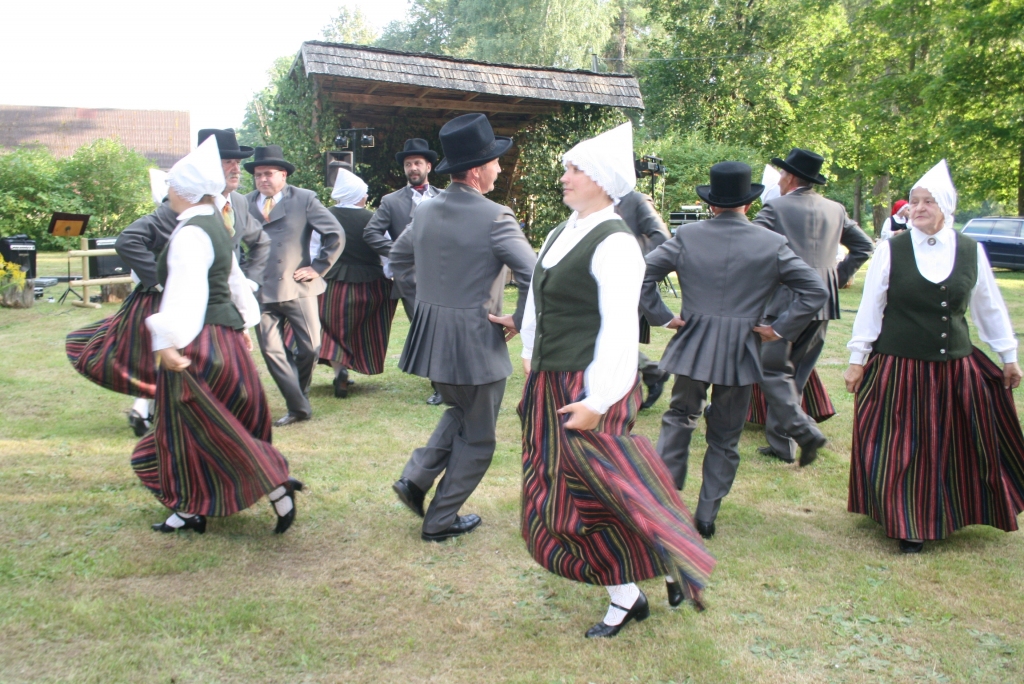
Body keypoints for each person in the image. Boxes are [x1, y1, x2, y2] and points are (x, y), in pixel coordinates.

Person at [517, 122, 715, 639]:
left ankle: (644, 577)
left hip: (586, 384)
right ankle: (639, 582)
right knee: (565, 489)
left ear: (602, 180)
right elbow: (537, 299)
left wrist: (599, 398)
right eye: (567, 167)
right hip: (550, 379)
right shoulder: (562, 232)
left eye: (574, 168)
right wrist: (529, 352)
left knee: (588, 494)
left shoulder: (616, 242)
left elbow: (620, 328)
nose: (564, 177)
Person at [844, 160, 1024, 553]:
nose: (919, 208)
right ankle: (908, 522)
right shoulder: (892, 249)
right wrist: (858, 359)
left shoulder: (970, 250)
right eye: (915, 201)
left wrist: (1008, 355)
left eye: (928, 202)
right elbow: (871, 307)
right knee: (902, 445)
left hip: (954, 368)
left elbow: (988, 307)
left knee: (949, 444)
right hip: (899, 366)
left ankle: (949, 511)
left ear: (946, 207)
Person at [641, 162, 828, 539]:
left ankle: (665, 499)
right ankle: (706, 515)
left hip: (694, 343)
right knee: (725, 436)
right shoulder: (771, 243)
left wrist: (662, 316)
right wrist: (778, 329)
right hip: (742, 349)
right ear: (748, 203)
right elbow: (815, 291)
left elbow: (642, 273)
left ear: (711, 202)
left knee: (679, 418)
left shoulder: (688, 235)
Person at [131, 136, 300, 535]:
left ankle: (274, 484)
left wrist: (166, 341)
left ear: (186, 191)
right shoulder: (213, 226)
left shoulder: (191, 232)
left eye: (173, 186)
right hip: (223, 337)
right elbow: (235, 282)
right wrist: (242, 326)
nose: (168, 192)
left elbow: (184, 293)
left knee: (194, 426)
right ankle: (191, 508)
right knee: (218, 420)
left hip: (198, 340)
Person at [389, 113, 536, 542]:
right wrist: (519, 320)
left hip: (434, 338)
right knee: (479, 437)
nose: (499, 168)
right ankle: (439, 520)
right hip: (475, 341)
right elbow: (533, 275)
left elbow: (398, 261)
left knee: (460, 411)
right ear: (475, 171)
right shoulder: (496, 216)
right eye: (494, 161)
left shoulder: (427, 210)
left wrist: (433, 302)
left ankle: (416, 479)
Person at [66, 128, 270, 436]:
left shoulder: (224, 211)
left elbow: (234, 269)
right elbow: (133, 242)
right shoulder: (177, 214)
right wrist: (160, 280)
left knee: (194, 378)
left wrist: (245, 307)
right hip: (183, 307)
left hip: (208, 315)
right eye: (227, 161)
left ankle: (209, 439)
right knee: (162, 364)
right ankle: (158, 417)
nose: (235, 168)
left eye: (236, 163)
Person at [752, 148, 874, 465]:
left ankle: (799, 434)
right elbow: (864, 246)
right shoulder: (836, 209)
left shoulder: (775, 208)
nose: (778, 180)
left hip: (783, 303)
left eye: (781, 174)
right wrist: (837, 277)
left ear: (791, 177)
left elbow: (749, 246)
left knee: (773, 372)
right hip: (822, 304)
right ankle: (783, 443)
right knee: (799, 374)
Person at [245, 145, 344, 427]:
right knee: (272, 351)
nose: (262, 179)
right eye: (258, 175)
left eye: (269, 174)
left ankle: (299, 392)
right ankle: (298, 407)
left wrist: (318, 267)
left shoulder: (304, 199)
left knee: (311, 348)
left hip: (297, 287)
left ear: (284, 175)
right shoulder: (243, 202)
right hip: (260, 290)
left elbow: (334, 233)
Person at [364, 138, 445, 405]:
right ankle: (441, 386)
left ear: (428, 166)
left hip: (446, 276)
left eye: (417, 163)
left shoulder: (445, 197)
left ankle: (454, 378)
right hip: (411, 279)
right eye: (408, 164)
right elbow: (371, 233)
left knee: (446, 328)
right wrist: (399, 250)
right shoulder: (390, 201)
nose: (412, 168)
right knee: (426, 330)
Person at [313, 168, 398, 397]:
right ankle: (345, 370)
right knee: (359, 330)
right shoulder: (372, 218)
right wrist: (391, 276)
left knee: (329, 328)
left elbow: (314, 251)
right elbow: (386, 252)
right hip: (369, 286)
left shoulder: (323, 215)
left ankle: (340, 370)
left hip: (331, 284)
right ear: (359, 195)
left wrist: (313, 273)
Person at [614, 189, 672, 409]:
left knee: (614, 338)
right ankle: (653, 371)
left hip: (628, 280)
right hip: (600, 280)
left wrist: (630, 257)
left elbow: (661, 237)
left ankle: (647, 376)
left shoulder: (636, 199)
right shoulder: (599, 196)